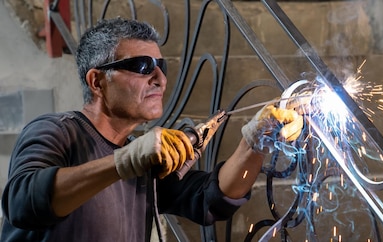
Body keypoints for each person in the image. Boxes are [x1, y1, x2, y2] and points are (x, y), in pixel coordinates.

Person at [0, 17, 302, 241]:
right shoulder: (57, 130)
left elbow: (210, 201)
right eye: (143, 66)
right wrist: (124, 162)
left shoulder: (142, 159)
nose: (159, 78)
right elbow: (23, 202)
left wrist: (254, 143)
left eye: (162, 66)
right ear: (97, 82)